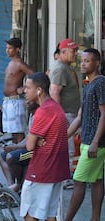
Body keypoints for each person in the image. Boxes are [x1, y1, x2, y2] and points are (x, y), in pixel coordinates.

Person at [10, 72, 69, 221]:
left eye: (27, 88)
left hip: (41, 170)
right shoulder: (57, 109)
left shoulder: (43, 111)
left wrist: (35, 143)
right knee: (50, 215)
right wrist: (37, 142)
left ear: (39, 90)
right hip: (57, 170)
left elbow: (29, 145)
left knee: (29, 213)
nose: (24, 91)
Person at [58, 48, 105, 221]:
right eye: (82, 61)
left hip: (95, 144)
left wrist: (95, 141)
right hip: (88, 140)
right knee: (97, 181)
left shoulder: (100, 83)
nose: (83, 64)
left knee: (78, 180)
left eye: (87, 61)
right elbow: (80, 116)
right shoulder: (88, 84)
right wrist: (63, 138)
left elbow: (104, 114)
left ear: (97, 63)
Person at [49, 38, 81, 187]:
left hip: (71, 114)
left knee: (71, 147)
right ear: (63, 52)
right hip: (66, 114)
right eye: (73, 51)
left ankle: (67, 176)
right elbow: (55, 93)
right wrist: (60, 117)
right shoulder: (60, 68)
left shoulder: (66, 67)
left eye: (76, 50)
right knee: (67, 147)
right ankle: (65, 178)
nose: (76, 53)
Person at [0, 101, 38, 192]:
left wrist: (15, 147)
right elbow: (28, 136)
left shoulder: (38, 116)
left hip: (35, 151)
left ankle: (19, 184)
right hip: (28, 147)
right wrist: (15, 146)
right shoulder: (31, 115)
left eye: (30, 101)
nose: (26, 102)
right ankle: (11, 185)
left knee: (11, 157)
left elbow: (32, 141)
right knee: (1, 155)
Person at [2, 37, 33, 144]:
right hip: (8, 101)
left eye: (10, 48)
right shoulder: (10, 63)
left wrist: (25, 88)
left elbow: (34, 76)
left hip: (16, 102)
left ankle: (20, 155)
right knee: (12, 132)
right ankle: (14, 153)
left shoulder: (20, 64)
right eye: (7, 48)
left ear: (17, 49)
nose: (7, 50)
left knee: (18, 131)